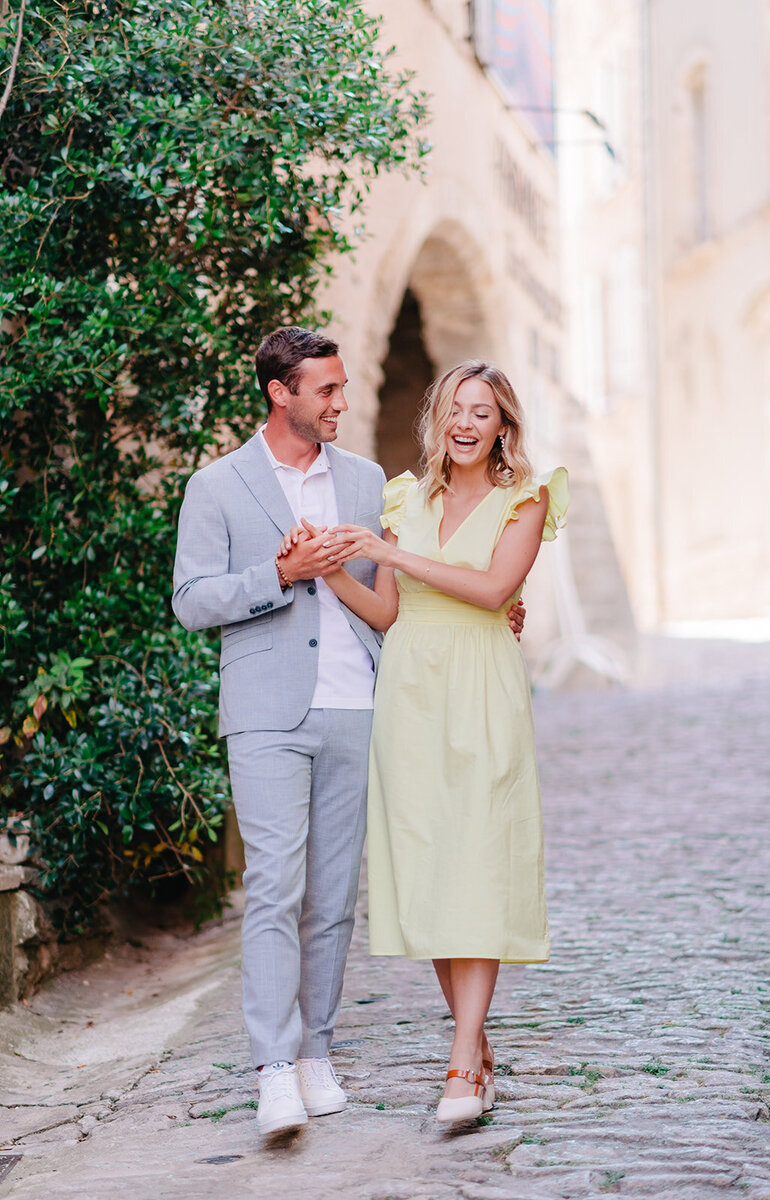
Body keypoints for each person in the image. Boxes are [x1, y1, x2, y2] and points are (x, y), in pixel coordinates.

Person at [172, 329, 526, 1137]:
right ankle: (271, 1068)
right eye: (325, 391)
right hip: (266, 711)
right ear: (280, 393)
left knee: (332, 899)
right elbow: (191, 601)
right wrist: (279, 575)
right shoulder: (217, 486)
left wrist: (499, 606)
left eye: (341, 388)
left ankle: (316, 1055)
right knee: (274, 888)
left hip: (365, 708)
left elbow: (410, 589)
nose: (341, 403)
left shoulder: (374, 484)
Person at [280, 360, 568, 1123]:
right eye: (454, 410)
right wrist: (331, 563)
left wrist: (393, 551)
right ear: (438, 422)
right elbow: (384, 613)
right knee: (437, 871)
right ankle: (472, 1048)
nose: (467, 424)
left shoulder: (526, 499)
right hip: (407, 695)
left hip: (480, 690)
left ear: (504, 424)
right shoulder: (407, 498)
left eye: (483, 411)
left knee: (476, 863)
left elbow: (491, 591)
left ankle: (462, 1066)